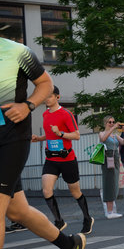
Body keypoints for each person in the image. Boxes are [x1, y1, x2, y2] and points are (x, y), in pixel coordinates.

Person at [0, 9, 85, 249]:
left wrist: (29, 105)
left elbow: (45, 83)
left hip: (10, 137)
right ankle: (70, 245)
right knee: (17, 210)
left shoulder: (17, 52)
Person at [31, 86, 95, 234]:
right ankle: (59, 221)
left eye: (49, 96)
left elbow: (77, 135)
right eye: (45, 96)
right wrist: (39, 138)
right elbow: (49, 134)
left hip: (67, 159)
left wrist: (60, 134)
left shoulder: (66, 114)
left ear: (57, 97)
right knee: (46, 190)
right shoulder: (45, 114)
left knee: (75, 192)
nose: (46, 99)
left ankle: (87, 218)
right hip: (51, 159)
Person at [99, 115, 124, 219]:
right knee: (109, 183)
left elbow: (123, 142)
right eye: (110, 122)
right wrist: (113, 129)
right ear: (105, 123)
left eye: (113, 122)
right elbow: (103, 138)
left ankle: (111, 210)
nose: (112, 124)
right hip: (108, 158)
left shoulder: (114, 135)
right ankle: (109, 211)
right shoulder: (102, 133)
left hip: (115, 158)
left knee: (114, 183)